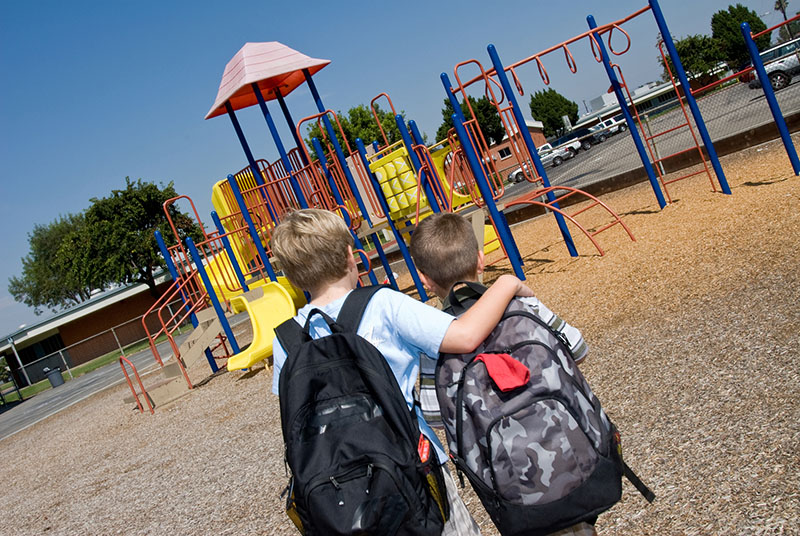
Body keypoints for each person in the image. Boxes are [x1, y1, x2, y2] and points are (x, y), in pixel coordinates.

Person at [269, 208, 535, 536]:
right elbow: (465, 334)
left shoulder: (286, 339)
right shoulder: (383, 304)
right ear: (351, 256)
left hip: (339, 493)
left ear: (292, 278)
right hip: (414, 470)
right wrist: (507, 284)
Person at [409, 211, 595, 536]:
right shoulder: (525, 307)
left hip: (506, 479)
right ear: (481, 260)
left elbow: (436, 415)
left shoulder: (434, 342)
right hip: (568, 455)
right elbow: (577, 348)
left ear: (424, 279)